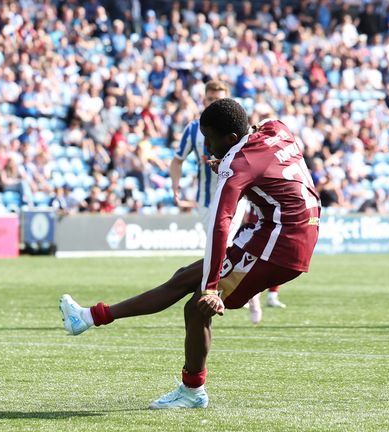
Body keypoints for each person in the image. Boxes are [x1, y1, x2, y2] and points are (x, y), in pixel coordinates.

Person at [60, 98, 321, 409]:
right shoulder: (276, 129)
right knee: (184, 276)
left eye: (210, 140)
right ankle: (89, 317)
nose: (207, 147)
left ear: (231, 139)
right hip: (290, 229)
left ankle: (192, 391)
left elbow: (219, 225)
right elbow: (272, 167)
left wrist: (212, 288)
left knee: (197, 306)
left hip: (279, 241)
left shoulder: (238, 163)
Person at [169, 80, 283, 324]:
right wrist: (175, 186)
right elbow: (177, 159)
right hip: (205, 202)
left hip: (235, 197)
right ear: (204, 99)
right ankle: (236, 293)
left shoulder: (238, 127)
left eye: (218, 98)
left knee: (225, 247)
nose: (213, 102)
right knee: (220, 250)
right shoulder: (193, 130)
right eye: (210, 98)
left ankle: (224, 295)